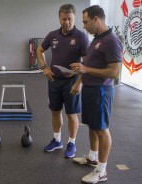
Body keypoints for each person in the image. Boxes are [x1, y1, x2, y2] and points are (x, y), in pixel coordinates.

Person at [70, 5, 123, 183]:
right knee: (92, 126)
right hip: (90, 89)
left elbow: (114, 73)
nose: (83, 26)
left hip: (101, 91)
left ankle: (102, 170)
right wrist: (80, 80)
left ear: (96, 19)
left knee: (102, 129)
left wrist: (85, 69)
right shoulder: (95, 39)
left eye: (85, 22)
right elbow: (91, 64)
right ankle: (93, 158)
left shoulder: (111, 41)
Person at [36, 4, 89, 158]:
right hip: (54, 80)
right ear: (59, 18)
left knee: (72, 114)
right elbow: (40, 50)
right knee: (55, 110)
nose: (67, 22)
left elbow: (87, 62)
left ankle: (71, 143)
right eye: (64, 19)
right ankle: (57, 140)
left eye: (70, 19)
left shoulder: (81, 37)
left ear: (74, 18)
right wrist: (44, 67)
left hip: (72, 80)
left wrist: (80, 82)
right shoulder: (53, 35)